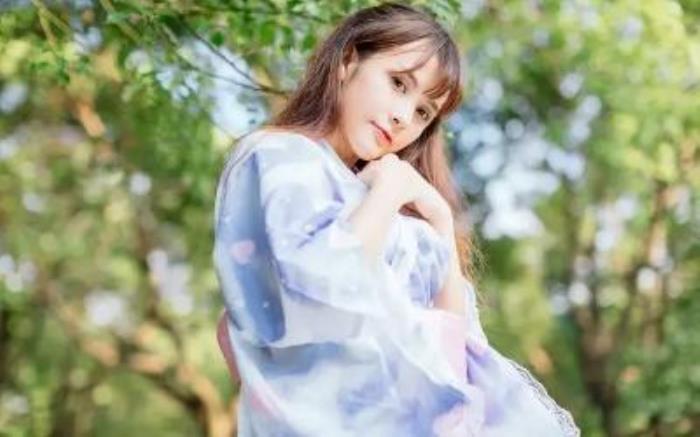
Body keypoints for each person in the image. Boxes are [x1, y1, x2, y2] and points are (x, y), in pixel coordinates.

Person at [212, 3, 580, 436]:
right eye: (398, 83)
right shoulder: (276, 156)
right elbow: (319, 294)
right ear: (348, 61)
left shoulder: (400, 208)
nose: (404, 117)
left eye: (424, 112)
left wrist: (440, 220)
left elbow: (458, 361)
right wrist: (388, 191)